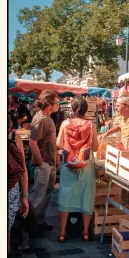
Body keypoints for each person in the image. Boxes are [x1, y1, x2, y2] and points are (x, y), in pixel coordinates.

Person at [55, 96, 98, 242]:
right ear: (86, 110)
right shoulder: (91, 125)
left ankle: (62, 232)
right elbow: (96, 147)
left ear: (72, 109)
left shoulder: (65, 124)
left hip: (68, 165)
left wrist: (71, 148)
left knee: (65, 196)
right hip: (86, 165)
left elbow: (58, 144)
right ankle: (85, 232)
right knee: (86, 195)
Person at [29, 90, 59, 231]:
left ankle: (39, 221)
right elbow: (32, 142)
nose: (58, 105)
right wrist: (41, 163)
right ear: (50, 104)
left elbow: (49, 141)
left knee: (46, 194)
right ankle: (27, 228)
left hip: (50, 163)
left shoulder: (46, 118)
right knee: (37, 197)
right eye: (56, 103)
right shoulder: (41, 119)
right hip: (44, 165)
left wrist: (56, 156)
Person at [7, 113, 30, 249]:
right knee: (6, 231)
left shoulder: (15, 138)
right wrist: (25, 196)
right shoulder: (15, 138)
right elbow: (22, 169)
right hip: (11, 190)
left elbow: (22, 169)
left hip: (6, 190)